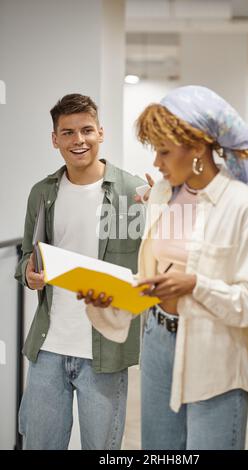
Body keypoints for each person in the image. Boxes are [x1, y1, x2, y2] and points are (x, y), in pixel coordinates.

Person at [80, 86, 248, 450]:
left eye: (164, 151)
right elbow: (153, 280)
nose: (156, 162)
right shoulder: (162, 197)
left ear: (198, 149)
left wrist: (195, 285)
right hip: (158, 342)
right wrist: (109, 298)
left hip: (216, 353)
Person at [15, 93, 145, 450]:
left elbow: (150, 269)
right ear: (55, 139)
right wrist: (28, 273)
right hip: (48, 347)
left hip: (103, 352)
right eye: (68, 132)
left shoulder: (132, 192)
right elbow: (27, 255)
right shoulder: (42, 193)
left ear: (101, 133)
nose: (79, 140)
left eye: (87, 130)